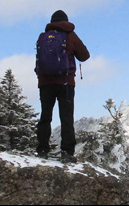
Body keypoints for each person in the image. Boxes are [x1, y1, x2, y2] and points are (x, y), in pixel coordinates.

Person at [36, 10, 89, 163]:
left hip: (45, 83)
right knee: (66, 117)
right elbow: (84, 56)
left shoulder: (42, 36)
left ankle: (42, 149)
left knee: (45, 116)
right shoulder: (70, 35)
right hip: (65, 83)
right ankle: (67, 152)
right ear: (66, 21)